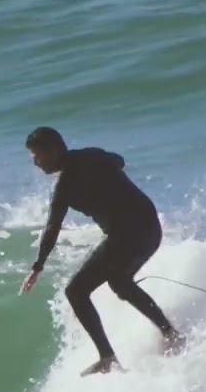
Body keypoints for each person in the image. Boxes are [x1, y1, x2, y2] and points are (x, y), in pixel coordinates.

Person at [19, 126, 185, 376]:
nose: (35, 162)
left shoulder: (66, 185)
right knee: (119, 282)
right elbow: (119, 160)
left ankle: (108, 357)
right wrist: (103, 164)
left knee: (75, 290)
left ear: (52, 151)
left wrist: (38, 266)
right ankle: (170, 333)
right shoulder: (91, 157)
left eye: (37, 155)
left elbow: (53, 226)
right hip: (150, 228)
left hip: (128, 234)